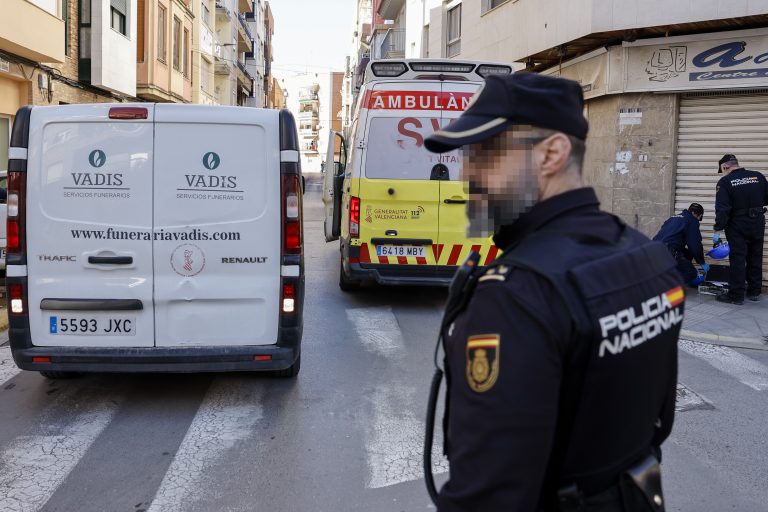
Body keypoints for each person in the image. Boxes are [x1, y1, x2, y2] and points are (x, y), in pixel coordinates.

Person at [423, 73, 681, 512]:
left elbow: (488, 498)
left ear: (553, 153)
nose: (466, 172)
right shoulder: (648, 259)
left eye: (485, 153)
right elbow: (656, 424)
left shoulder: (516, 296)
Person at [713, 154, 768, 305]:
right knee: (755, 256)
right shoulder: (757, 177)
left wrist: (718, 229)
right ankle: (754, 291)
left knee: (738, 258)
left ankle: (736, 295)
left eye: (722, 170)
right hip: (757, 222)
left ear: (725, 167)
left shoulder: (725, 182)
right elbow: (766, 198)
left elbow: (722, 209)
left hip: (737, 225)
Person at [652, 203, 709, 286]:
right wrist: (701, 262)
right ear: (696, 214)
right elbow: (695, 245)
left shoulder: (673, 218)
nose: (698, 220)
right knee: (691, 273)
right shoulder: (692, 220)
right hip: (667, 251)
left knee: (687, 253)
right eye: (699, 218)